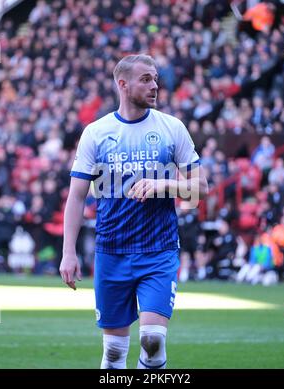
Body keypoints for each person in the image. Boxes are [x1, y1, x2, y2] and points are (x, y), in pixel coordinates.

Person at [59, 54, 208, 369]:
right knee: (114, 352)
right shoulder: (96, 133)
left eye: (155, 79)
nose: (154, 86)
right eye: (146, 79)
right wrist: (68, 252)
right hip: (112, 251)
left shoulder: (172, 128)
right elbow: (76, 197)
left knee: (152, 342)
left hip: (158, 250)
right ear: (122, 84)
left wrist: (162, 185)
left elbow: (201, 187)